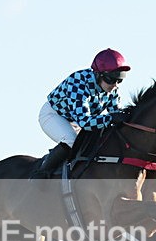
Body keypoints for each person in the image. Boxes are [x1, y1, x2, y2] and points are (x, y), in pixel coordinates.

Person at [30, 48, 131, 180]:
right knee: (71, 141)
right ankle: (41, 173)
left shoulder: (113, 89)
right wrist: (111, 118)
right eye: (111, 80)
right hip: (54, 115)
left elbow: (116, 114)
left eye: (119, 80)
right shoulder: (78, 83)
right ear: (98, 74)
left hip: (78, 121)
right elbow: (85, 121)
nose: (115, 85)